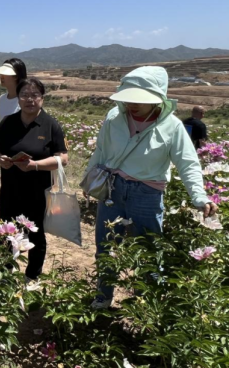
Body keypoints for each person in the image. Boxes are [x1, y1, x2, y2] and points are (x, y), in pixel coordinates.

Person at [85, 66, 218, 309]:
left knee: (149, 251)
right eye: (129, 98)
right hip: (112, 188)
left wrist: (199, 196)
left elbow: (187, 163)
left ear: (158, 98)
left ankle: (146, 302)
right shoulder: (114, 117)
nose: (132, 104)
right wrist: (89, 179)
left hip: (147, 193)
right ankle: (103, 295)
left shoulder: (173, 126)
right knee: (105, 245)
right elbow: (101, 151)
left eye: (140, 100)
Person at [0, 77, 69, 279]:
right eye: (24, 95)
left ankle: (32, 275)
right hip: (10, 189)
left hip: (38, 192)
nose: (29, 99)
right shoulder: (9, 122)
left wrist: (35, 166)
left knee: (36, 235)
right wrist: (0, 159)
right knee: (7, 232)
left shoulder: (50, 125)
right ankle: (5, 273)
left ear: (42, 98)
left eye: (35, 95)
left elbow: (63, 158)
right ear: (19, 98)